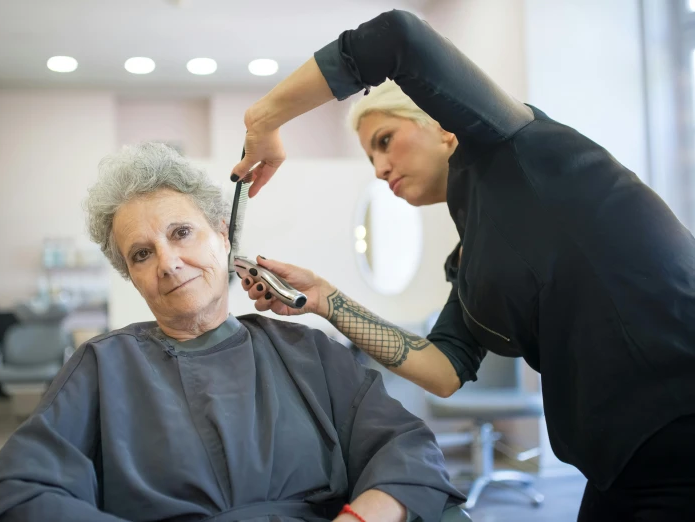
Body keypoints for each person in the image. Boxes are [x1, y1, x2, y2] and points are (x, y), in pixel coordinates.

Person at [231, 9, 695, 521]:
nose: (381, 167)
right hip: (622, 461)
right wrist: (324, 298)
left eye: (385, 140)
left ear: (445, 127)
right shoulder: (469, 260)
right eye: (369, 159)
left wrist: (265, 119)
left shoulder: (519, 146)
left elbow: (395, 38)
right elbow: (444, 369)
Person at [0, 143, 466, 522]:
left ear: (223, 237)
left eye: (181, 233)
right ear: (132, 276)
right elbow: (12, 494)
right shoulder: (103, 368)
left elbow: (406, 447)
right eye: (141, 254)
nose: (167, 262)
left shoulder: (308, 352)